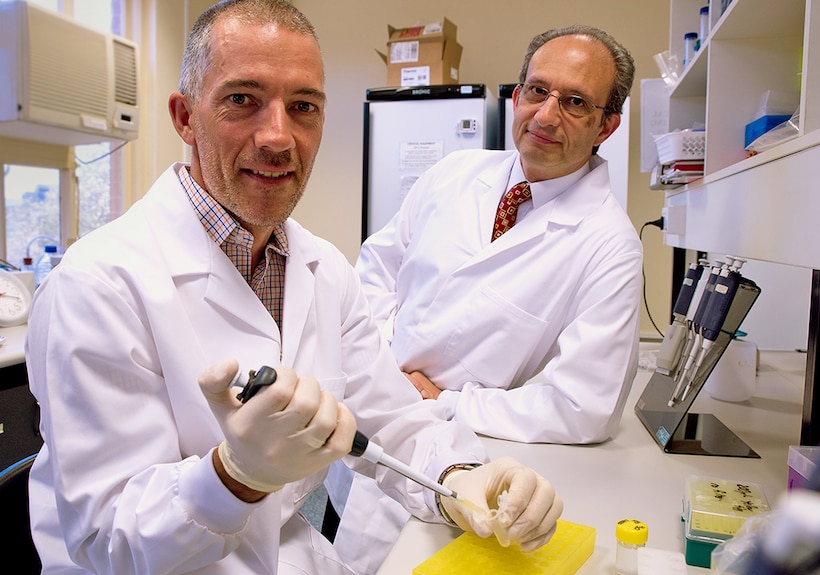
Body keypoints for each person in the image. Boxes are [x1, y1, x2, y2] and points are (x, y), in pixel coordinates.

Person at [24, 2, 563, 574]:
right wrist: (235, 476)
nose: (279, 137)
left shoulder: (323, 269)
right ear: (185, 117)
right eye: (242, 100)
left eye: (303, 107)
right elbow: (110, 539)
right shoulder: (95, 286)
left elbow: (395, 423)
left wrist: (464, 479)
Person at [331, 25, 642, 574]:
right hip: (372, 434)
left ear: (606, 125)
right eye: (537, 90)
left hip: (472, 471)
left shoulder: (610, 245)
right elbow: (376, 271)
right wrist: (382, 363)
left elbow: (581, 407)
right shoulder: (454, 173)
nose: (546, 116)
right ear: (517, 94)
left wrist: (443, 401)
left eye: (575, 103)